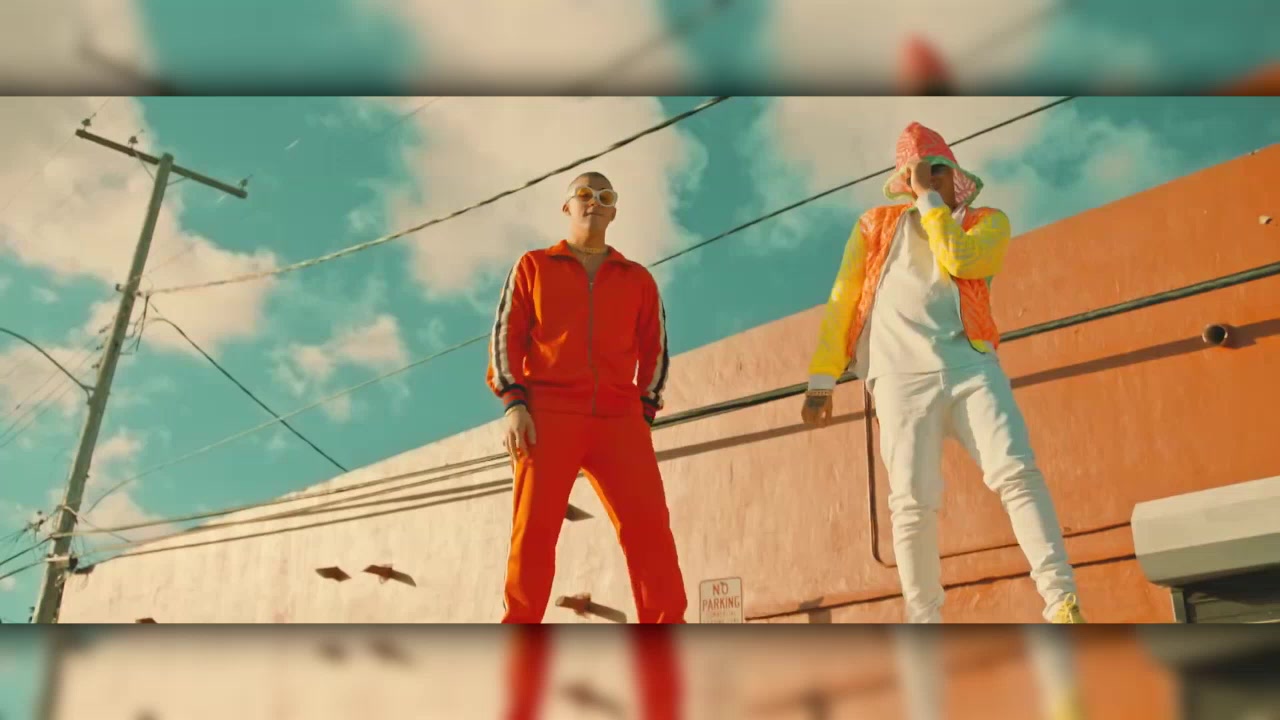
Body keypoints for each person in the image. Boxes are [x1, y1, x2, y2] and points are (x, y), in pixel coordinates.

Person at [800, 122, 1086, 625]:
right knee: (911, 504)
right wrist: (822, 380)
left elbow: (962, 260)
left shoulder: (986, 222)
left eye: (937, 170)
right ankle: (925, 622)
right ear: (903, 181)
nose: (928, 179)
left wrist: (931, 203)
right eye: (919, 173)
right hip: (897, 378)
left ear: (955, 174)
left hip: (970, 366)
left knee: (1017, 472)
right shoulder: (874, 226)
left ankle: (1061, 601)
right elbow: (843, 298)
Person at [486, 170, 688, 624]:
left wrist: (643, 412)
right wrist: (514, 403)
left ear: (614, 212)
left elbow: (656, 348)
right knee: (533, 532)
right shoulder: (533, 266)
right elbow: (506, 335)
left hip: (620, 419)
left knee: (650, 531)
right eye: (583, 194)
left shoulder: (638, 279)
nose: (593, 201)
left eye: (605, 196)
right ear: (567, 206)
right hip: (547, 414)